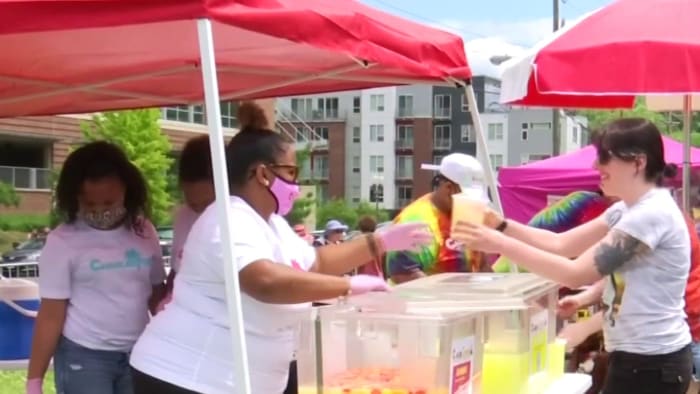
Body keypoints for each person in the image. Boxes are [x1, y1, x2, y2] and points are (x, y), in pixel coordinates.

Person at [128, 102, 432, 394]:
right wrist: (348, 286)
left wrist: (379, 241)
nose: (296, 185)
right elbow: (264, 280)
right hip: (188, 376)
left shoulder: (271, 223)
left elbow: (317, 264)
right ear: (262, 174)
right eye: (290, 173)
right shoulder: (227, 218)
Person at [454, 118, 693, 394]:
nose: (595, 166)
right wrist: (501, 225)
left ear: (638, 163)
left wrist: (499, 243)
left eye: (604, 157)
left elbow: (577, 272)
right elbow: (561, 244)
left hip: (652, 361)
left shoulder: (649, 214)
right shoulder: (626, 210)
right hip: (641, 357)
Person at [26, 141, 166, 394]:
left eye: (109, 202)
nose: (101, 211)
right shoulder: (62, 242)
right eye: (90, 204)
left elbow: (157, 294)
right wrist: (34, 380)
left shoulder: (144, 231)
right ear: (75, 198)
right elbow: (50, 315)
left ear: (126, 189)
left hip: (139, 353)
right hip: (84, 356)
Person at [385, 153, 490, 284]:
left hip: (466, 300)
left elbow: (482, 264)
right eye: (468, 197)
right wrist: (447, 299)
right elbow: (403, 274)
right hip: (427, 302)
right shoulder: (416, 222)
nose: (473, 203)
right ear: (448, 188)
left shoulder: (467, 215)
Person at [492, 190, 614, 272]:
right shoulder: (595, 206)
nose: (596, 165)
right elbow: (563, 246)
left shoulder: (587, 200)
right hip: (524, 272)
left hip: (516, 268)